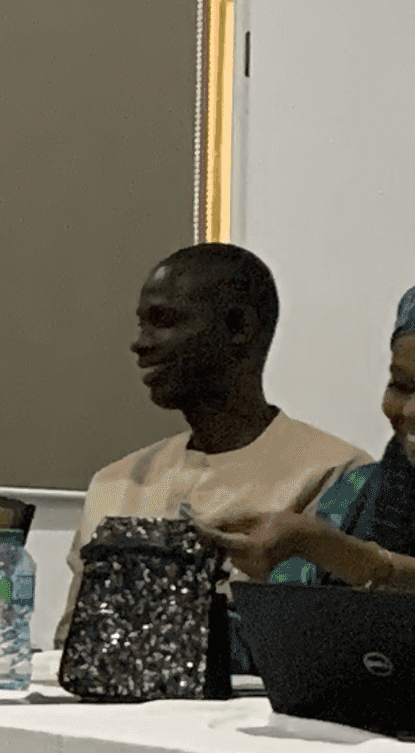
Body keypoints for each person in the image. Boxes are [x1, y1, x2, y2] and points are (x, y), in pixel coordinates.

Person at [61, 245, 364, 637]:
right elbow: (70, 643)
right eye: (142, 325)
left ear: (238, 327)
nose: (140, 343)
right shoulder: (115, 483)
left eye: (163, 321)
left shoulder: (336, 476)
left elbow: (313, 645)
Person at [211, 274, 415, 595]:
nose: (414, 411)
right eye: (400, 386)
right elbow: (298, 596)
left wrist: (341, 554)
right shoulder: (360, 490)